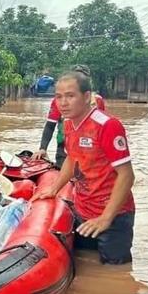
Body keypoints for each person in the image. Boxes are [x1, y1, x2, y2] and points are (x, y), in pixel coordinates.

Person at [33, 70, 136, 265]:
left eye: (70, 96)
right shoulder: (70, 123)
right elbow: (72, 159)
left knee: (114, 275)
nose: (63, 103)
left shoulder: (107, 126)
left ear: (87, 96)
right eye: (58, 97)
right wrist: (54, 189)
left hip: (113, 218)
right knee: (83, 266)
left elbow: (127, 176)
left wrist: (106, 218)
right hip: (82, 210)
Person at [35, 65, 105, 168]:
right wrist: (43, 148)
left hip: (91, 151)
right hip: (65, 149)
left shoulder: (98, 101)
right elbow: (50, 125)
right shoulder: (59, 102)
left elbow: (102, 130)